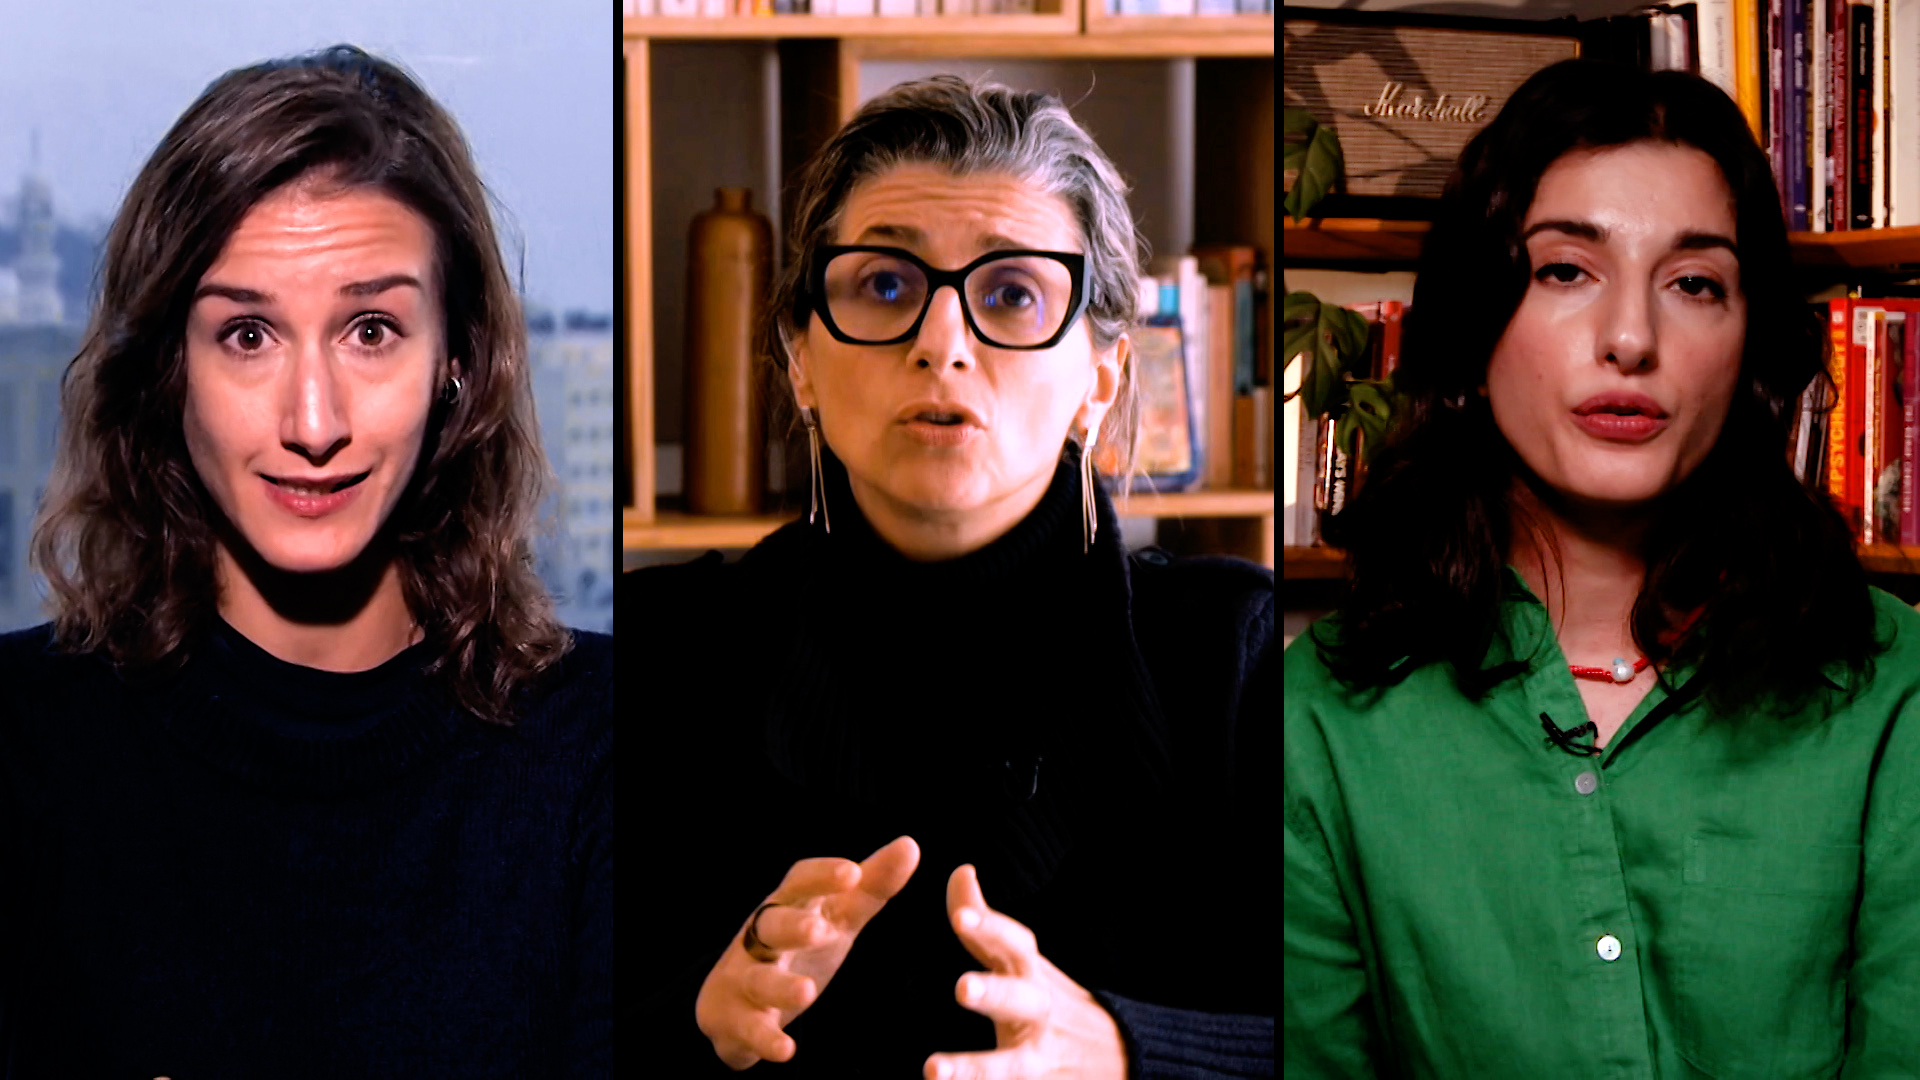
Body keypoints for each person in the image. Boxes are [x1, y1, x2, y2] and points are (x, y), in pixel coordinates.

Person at [624, 75, 1274, 1078]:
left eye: (1011, 294)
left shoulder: (1233, 665)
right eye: (885, 286)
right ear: (801, 358)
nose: (941, 345)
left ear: (1100, 376)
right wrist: (693, 1021)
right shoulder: (654, 656)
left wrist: (1128, 1051)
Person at [1284, 58, 1920, 1077]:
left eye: (1695, 283)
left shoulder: (1893, 690)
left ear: (1750, 348)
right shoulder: (1317, 718)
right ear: (1474, 328)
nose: (1631, 338)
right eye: (1565, 271)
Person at [0, 46, 611, 1078]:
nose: (313, 423)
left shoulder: (594, 748)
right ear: (168, 372)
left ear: (455, 364)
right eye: (248, 336)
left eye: (371, 330)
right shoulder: (22, 744)